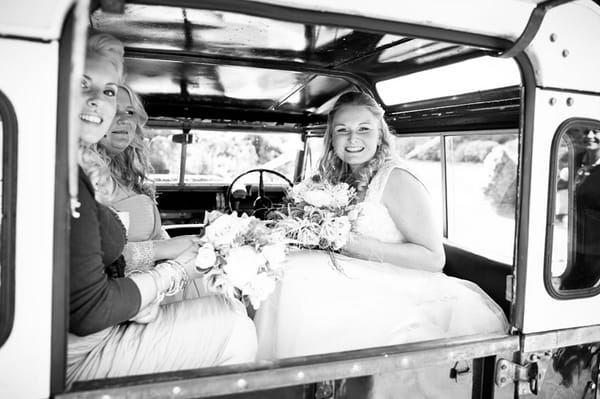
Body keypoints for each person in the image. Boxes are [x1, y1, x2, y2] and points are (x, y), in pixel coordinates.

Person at [254, 92, 508, 396]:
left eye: (364, 129)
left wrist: (353, 246)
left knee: (296, 277)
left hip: (405, 287)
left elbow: (433, 258)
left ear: (380, 134)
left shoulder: (396, 179)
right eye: (342, 130)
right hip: (358, 274)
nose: (352, 139)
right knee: (286, 267)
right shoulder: (340, 177)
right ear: (331, 137)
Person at [67, 33, 256, 386]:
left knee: (224, 300)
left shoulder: (80, 169)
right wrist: (174, 273)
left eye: (109, 90)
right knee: (236, 328)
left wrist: (173, 250)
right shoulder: (63, 175)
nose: (99, 103)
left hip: (97, 325)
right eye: (82, 85)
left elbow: (97, 262)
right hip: (76, 352)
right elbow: (89, 307)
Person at [97, 84, 204, 300]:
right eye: (113, 110)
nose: (124, 119)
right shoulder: (87, 178)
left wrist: (188, 245)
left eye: (130, 112)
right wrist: (163, 249)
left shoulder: (129, 173)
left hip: (158, 283)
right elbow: (97, 260)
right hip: (127, 296)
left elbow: (156, 235)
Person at [560, 128, 600, 290]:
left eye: (596, 131)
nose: (590, 135)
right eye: (586, 131)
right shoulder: (575, 158)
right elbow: (560, 188)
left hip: (595, 247)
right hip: (570, 242)